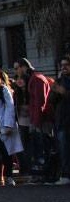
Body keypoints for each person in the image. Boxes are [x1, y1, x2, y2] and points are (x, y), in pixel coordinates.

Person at [16, 57, 52, 183]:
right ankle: (40, 175)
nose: (17, 71)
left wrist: (35, 121)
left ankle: (43, 175)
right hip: (37, 119)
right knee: (38, 149)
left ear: (23, 67)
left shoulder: (36, 79)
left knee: (41, 149)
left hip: (40, 120)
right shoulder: (33, 78)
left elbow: (39, 102)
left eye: (17, 68)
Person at [51, 57, 70, 185]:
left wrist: (65, 92)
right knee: (64, 149)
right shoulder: (59, 81)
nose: (63, 67)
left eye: (67, 65)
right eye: (62, 65)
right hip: (62, 120)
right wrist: (56, 90)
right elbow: (52, 100)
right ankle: (66, 175)